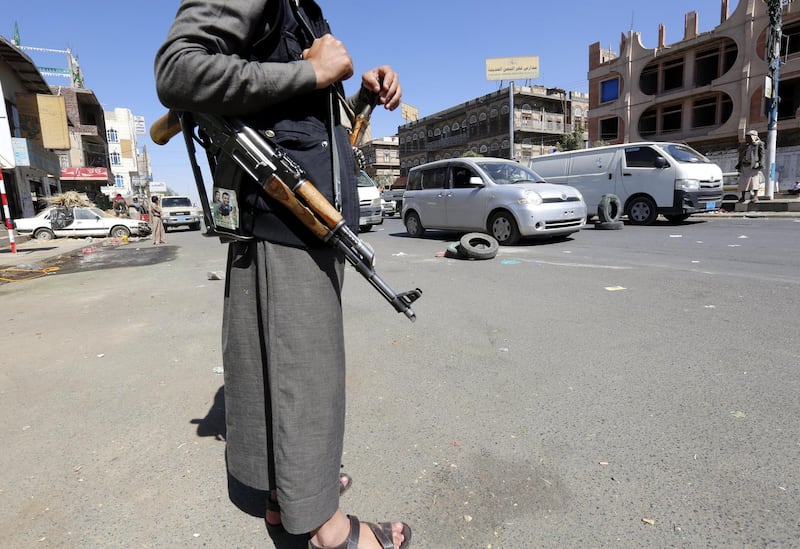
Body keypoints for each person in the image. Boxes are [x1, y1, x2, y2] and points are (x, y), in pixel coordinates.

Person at [154, 2, 410, 549]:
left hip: (306, 222)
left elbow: (317, 125)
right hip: (282, 221)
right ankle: (328, 531)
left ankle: (288, 498)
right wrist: (311, 71)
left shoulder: (302, 8)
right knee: (304, 378)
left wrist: (359, 92)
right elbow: (177, 70)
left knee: (283, 379)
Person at [735, 129, 765, 203]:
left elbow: (762, 155)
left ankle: (755, 197)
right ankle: (743, 197)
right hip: (744, 166)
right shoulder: (745, 145)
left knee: (754, 182)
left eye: (748, 137)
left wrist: (761, 164)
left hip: (753, 166)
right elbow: (740, 154)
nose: (746, 139)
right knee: (743, 182)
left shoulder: (759, 144)